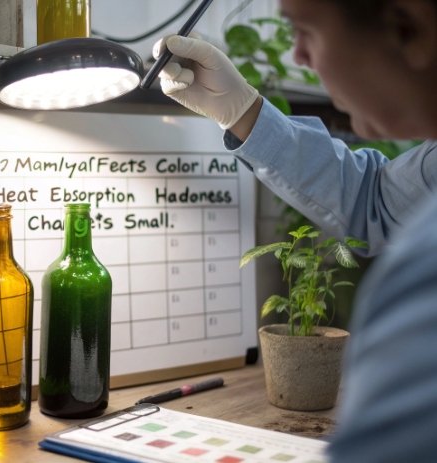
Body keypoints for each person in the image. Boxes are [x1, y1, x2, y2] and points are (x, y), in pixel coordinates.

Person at [155, 0, 437, 461]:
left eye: (306, 31)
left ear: (410, 27)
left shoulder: (425, 272)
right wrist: (243, 111)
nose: (300, 57)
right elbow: (379, 201)